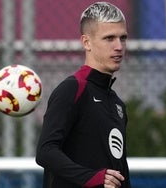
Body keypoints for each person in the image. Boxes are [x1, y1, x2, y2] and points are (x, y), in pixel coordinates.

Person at [36, 2, 131, 187]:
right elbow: (46, 152)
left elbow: (119, 170)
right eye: (109, 38)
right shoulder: (72, 89)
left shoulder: (117, 103)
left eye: (123, 38)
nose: (119, 46)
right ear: (86, 42)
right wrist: (91, 178)